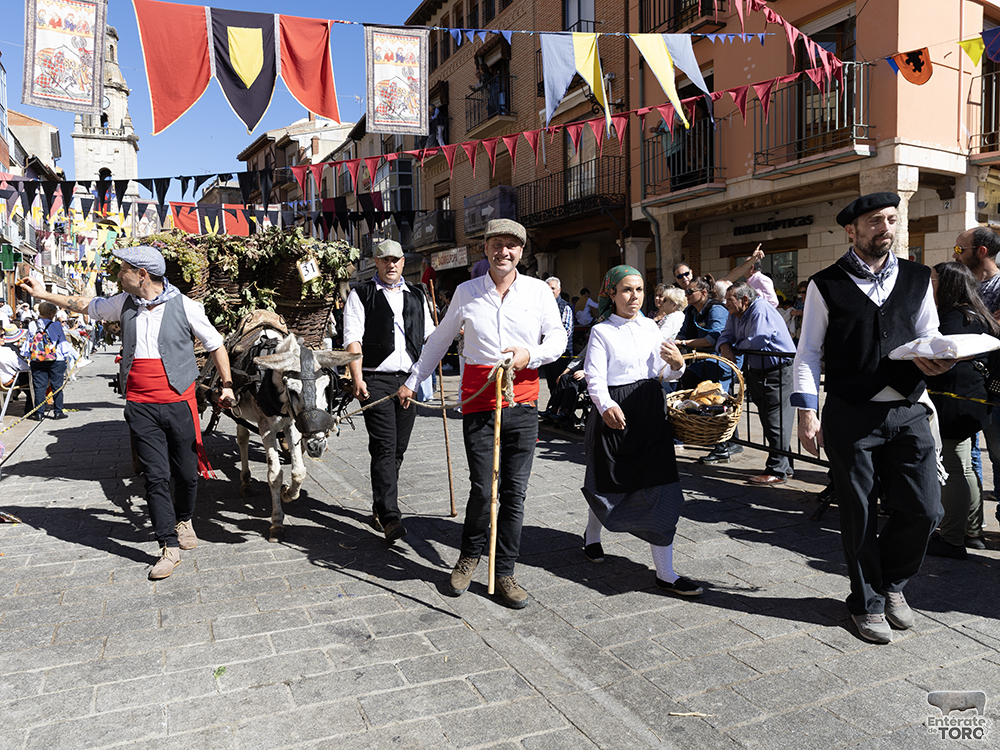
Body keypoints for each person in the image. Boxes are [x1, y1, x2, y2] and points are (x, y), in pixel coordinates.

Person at [17, 246, 236, 580]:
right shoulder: (123, 303)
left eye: (123, 269)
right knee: (155, 475)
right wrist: (42, 293)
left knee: (187, 473)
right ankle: (168, 546)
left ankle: (184, 518)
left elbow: (215, 344)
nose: (119, 275)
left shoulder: (187, 306)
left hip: (178, 401)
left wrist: (228, 384)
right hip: (140, 404)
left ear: (142, 275)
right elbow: (83, 305)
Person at [792, 192, 950, 644]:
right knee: (858, 513)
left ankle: (891, 583)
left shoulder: (919, 277)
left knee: (926, 507)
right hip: (849, 411)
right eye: (875, 221)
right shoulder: (826, 283)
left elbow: (928, 336)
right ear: (852, 230)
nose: (886, 227)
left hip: (908, 407)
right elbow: (808, 352)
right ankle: (866, 603)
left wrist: (939, 357)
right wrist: (806, 413)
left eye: (892, 219)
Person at [397, 219, 566, 609]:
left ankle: (504, 570)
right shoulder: (466, 292)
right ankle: (469, 556)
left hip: (521, 399)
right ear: (485, 249)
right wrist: (412, 379)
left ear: (521, 251)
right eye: (496, 244)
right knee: (482, 488)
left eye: (511, 245)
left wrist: (529, 355)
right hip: (478, 400)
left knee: (514, 492)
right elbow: (440, 339)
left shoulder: (539, 292)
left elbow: (557, 339)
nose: (503, 251)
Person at [582, 265, 702, 596]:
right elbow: (594, 376)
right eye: (625, 290)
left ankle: (666, 573)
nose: (633, 296)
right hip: (616, 411)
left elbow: (664, 372)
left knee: (662, 487)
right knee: (609, 484)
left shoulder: (652, 327)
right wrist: (606, 406)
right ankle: (592, 536)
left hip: (650, 410)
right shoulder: (602, 332)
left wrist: (678, 364)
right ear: (612, 294)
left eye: (638, 290)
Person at [343, 240, 435, 544]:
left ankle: (379, 505)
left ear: (403, 261)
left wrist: (421, 378)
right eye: (385, 260)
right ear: (376, 262)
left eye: (396, 259)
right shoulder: (361, 294)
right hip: (375, 379)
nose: (391, 265)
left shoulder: (417, 295)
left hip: (409, 380)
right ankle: (391, 516)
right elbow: (353, 339)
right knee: (384, 446)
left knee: (397, 449)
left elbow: (430, 339)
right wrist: (357, 377)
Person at [925, 262, 997, 559]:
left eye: (933, 280)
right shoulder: (975, 314)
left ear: (948, 284)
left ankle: (952, 538)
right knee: (965, 466)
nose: (929, 286)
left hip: (954, 403)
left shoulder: (954, 318)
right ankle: (972, 531)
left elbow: (940, 360)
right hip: (972, 403)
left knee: (954, 468)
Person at [717, 282, 796, 485]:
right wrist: (725, 345)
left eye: (729, 300)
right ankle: (784, 464)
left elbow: (758, 339)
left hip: (778, 370)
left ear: (744, 300)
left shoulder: (759, 308)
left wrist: (734, 347)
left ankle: (777, 470)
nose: (726, 305)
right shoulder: (735, 314)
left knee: (776, 420)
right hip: (759, 371)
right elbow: (725, 335)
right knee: (769, 420)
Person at [675, 276, 740, 463]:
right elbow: (684, 332)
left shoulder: (716, 309)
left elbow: (714, 338)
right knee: (689, 382)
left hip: (722, 362)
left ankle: (722, 447)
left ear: (703, 293)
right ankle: (729, 439)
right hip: (704, 362)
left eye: (690, 292)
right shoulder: (691, 311)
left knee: (717, 399)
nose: (686, 294)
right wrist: (677, 340)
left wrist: (683, 343)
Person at [25, 302, 69, 421]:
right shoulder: (56, 325)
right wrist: (66, 356)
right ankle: (58, 411)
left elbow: (29, 341)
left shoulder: (32, 324)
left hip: (37, 359)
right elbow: (62, 342)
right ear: (51, 313)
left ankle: (39, 412)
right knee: (57, 386)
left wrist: (27, 355)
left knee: (39, 386)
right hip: (56, 359)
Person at [542, 276, 574, 414]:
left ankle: (560, 411)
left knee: (559, 382)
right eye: (548, 288)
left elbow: (565, 331)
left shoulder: (565, 307)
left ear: (559, 290)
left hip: (562, 353)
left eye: (553, 288)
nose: (550, 291)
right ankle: (554, 410)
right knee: (550, 383)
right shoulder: (542, 307)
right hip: (547, 353)